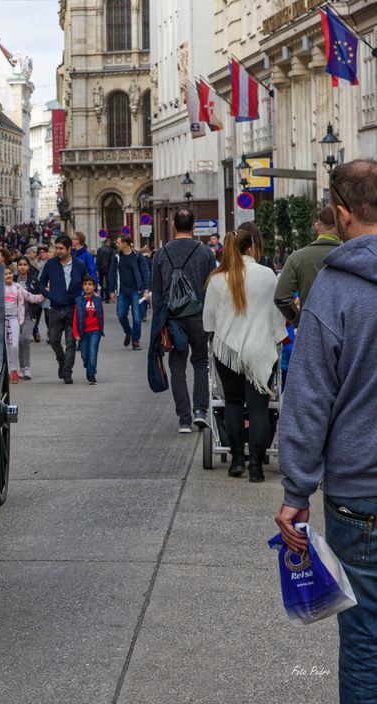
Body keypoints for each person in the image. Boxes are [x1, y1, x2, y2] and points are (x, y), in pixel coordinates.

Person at [274, 159, 377, 702]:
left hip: (360, 493)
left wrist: (296, 490)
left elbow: (309, 399)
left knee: (365, 640)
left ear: (339, 214)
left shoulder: (334, 292)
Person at [202, 228, 286, 480]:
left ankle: (237, 460)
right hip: (260, 350)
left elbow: (209, 322)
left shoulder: (217, 279)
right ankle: (256, 469)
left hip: (228, 350)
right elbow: (276, 316)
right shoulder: (267, 275)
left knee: (234, 404)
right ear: (251, 248)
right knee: (259, 408)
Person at [149, 208, 218, 433]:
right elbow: (212, 288)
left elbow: (157, 292)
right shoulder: (206, 252)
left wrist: (161, 323)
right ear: (194, 226)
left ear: (173, 226)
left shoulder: (161, 253)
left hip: (173, 319)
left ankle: (184, 419)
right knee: (200, 363)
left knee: (177, 366)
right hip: (199, 316)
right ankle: (201, 411)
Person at [273, 205, 341, 327]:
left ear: (316, 226)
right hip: (346, 332)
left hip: (310, 330)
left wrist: (299, 321)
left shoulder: (297, 258)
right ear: (341, 226)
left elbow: (281, 298)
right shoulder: (353, 255)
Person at [37, 234, 87, 383]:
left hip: (73, 307)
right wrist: (49, 294)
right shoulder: (50, 264)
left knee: (71, 341)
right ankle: (61, 360)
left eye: (61, 248)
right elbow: (41, 284)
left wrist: (83, 297)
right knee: (53, 339)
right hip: (55, 308)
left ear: (69, 249)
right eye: (56, 248)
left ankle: (67, 372)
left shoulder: (79, 265)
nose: (58, 251)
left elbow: (87, 282)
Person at [3, 266, 44, 384]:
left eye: (10, 273)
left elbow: (31, 297)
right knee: (5, 347)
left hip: (14, 319)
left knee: (14, 346)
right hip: (1, 321)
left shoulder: (18, 287)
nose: (8, 276)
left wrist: (45, 294)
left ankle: (14, 370)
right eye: (5, 274)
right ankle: (6, 372)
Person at [108, 234, 150, 351]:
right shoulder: (116, 256)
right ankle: (128, 332)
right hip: (122, 291)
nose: (116, 244)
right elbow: (111, 273)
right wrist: (111, 290)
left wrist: (146, 289)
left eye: (118, 242)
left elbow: (145, 272)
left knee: (137, 317)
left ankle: (136, 341)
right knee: (121, 315)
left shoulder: (138, 256)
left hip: (136, 291)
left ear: (125, 244)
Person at [72, 275, 104, 384]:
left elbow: (101, 315)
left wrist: (101, 329)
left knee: (92, 353)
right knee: (84, 355)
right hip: (83, 332)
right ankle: (88, 365)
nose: (87, 287)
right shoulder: (79, 300)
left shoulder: (98, 299)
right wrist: (76, 333)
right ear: (82, 286)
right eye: (85, 284)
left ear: (94, 286)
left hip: (96, 331)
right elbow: (76, 318)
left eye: (90, 284)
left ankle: (91, 375)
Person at [14, 257, 42, 378]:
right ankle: (21, 368)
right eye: (20, 264)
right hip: (14, 315)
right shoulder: (12, 279)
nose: (22, 267)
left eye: (25, 264)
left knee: (25, 338)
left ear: (28, 267)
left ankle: (27, 367)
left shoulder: (34, 281)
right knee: (18, 341)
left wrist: (35, 314)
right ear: (17, 266)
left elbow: (38, 298)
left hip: (28, 314)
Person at [96, 237, 115, 302]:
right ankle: (107, 297)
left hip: (100, 269)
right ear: (108, 243)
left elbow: (97, 260)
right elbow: (112, 261)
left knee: (101, 282)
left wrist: (97, 269)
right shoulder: (111, 250)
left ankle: (101, 296)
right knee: (108, 283)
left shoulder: (99, 250)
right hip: (108, 269)